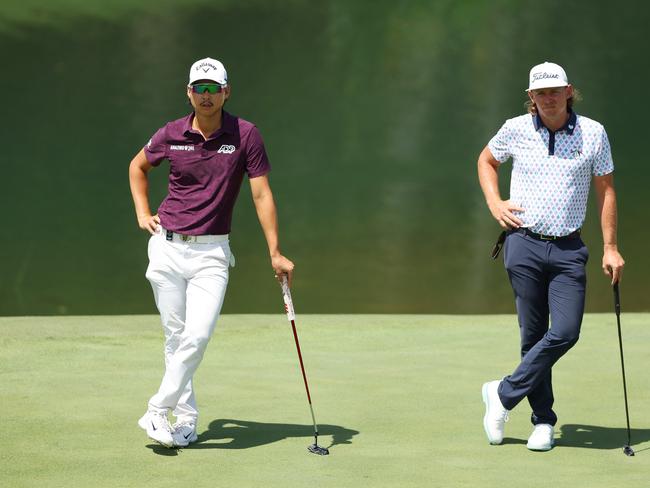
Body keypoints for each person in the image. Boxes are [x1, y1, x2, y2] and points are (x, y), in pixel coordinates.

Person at [128, 57, 294, 448]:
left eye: (213, 89)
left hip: (212, 253)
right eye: (199, 89)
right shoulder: (171, 133)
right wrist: (141, 213)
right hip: (167, 247)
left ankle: (156, 409)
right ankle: (184, 422)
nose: (206, 96)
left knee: (197, 336)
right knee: (175, 338)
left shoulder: (245, 134)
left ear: (226, 92)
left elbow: (261, 193)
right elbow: (138, 167)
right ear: (189, 92)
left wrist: (275, 251)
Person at [477, 61, 625, 451]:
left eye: (555, 91)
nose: (548, 99)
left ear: (569, 91)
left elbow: (606, 189)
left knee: (565, 332)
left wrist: (610, 247)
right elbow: (486, 161)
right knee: (532, 335)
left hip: (568, 248)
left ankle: (502, 393)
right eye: (540, 93)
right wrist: (495, 203)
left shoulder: (594, 133)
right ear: (531, 97)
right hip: (522, 243)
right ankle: (543, 421)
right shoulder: (515, 129)